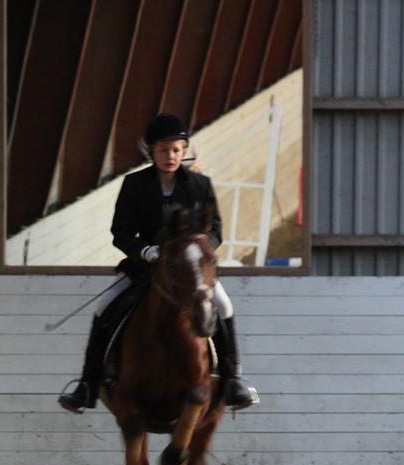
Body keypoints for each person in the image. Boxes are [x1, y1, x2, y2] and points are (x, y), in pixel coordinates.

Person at [58, 113, 260, 413]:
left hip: (189, 271)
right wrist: (145, 251)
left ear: (184, 150)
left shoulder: (199, 185)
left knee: (225, 305)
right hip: (146, 268)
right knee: (104, 307)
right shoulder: (134, 185)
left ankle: (234, 380)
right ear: (151, 151)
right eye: (164, 150)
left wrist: (199, 250)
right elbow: (121, 232)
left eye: (177, 149)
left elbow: (215, 229)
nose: (171, 156)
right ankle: (87, 384)